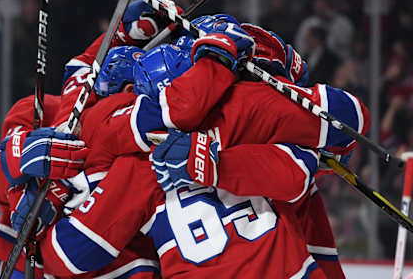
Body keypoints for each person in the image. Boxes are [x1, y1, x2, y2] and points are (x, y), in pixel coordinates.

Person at [38, 15, 368, 277]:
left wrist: (45, 207)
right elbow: (335, 137)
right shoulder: (250, 108)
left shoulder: (133, 159)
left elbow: (67, 256)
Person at [0, 0, 180, 278]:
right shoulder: (40, 109)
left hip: (117, 266)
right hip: (26, 262)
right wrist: (23, 160)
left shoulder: (148, 142)